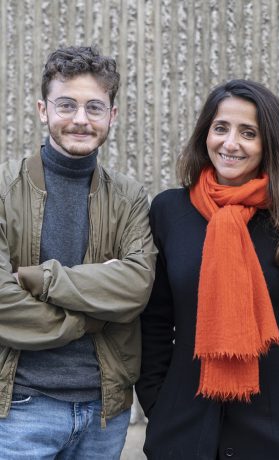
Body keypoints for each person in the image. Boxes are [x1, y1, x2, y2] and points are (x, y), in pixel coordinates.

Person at [136, 79, 279, 460]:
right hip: (186, 426)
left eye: (248, 133)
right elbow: (155, 320)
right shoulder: (169, 211)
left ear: (268, 145)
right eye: (221, 128)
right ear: (205, 134)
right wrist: (157, 401)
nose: (230, 144)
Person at [0, 45, 155, 459]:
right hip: (21, 409)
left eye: (95, 107)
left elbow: (136, 286)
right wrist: (90, 318)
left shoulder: (129, 197)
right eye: (66, 105)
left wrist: (42, 279)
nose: (81, 120)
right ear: (42, 109)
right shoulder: (3, 191)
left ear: (112, 115)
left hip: (105, 411)